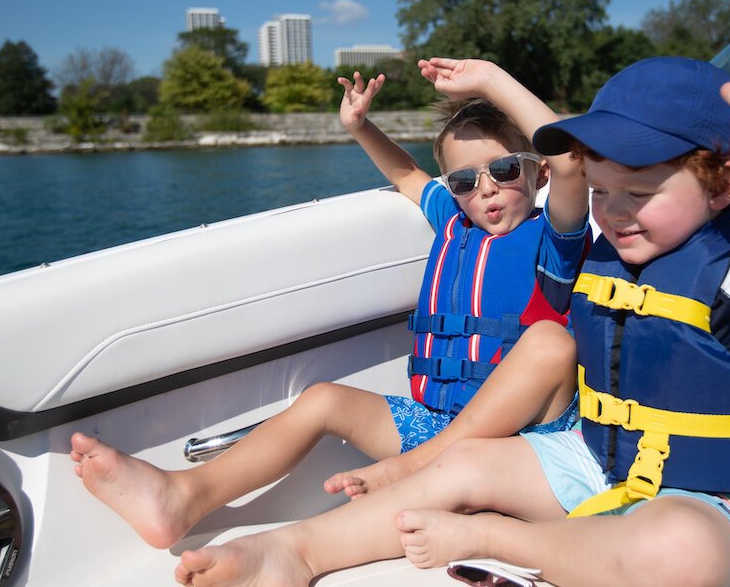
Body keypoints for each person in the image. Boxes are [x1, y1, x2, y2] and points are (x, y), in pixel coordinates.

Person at [172, 0, 730, 587]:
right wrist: (487, 80)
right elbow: (554, 155)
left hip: (701, 496)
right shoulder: (608, 243)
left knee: (678, 551)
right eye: (605, 189)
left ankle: (496, 539)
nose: (614, 211)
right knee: (462, 460)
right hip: (594, 458)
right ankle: (295, 550)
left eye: (639, 191)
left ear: (723, 180)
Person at [69, 63, 591, 550]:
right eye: (464, 181)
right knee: (322, 400)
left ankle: (409, 478)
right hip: (435, 425)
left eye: (504, 169)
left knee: (552, 343)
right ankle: (183, 497)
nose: (487, 190)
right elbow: (407, 175)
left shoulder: (552, 244)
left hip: (518, 442)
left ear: (538, 174)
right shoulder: (454, 223)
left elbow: (572, 162)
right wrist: (359, 126)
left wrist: (492, 80)